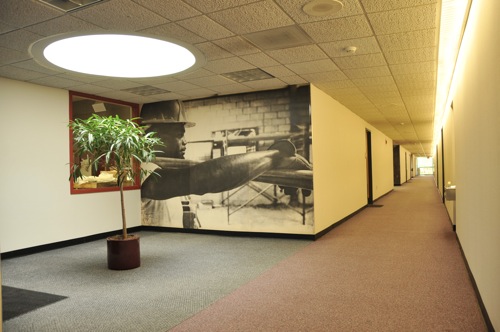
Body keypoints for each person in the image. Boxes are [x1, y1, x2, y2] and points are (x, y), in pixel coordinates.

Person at [140, 100, 312, 228]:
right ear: (153, 136)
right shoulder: (142, 168)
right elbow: (207, 177)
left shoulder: (168, 167)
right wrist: (277, 155)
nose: (185, 141)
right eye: (179, 134)